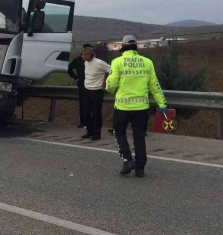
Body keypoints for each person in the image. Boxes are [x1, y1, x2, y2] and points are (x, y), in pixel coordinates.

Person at [106, 35, 167, 178]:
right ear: (136, 47)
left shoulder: (117, 62)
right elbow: (155, 86)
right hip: (141, 108)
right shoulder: (147, 62)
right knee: (139, 136)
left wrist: (110, 87)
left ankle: (127, 160)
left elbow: (111, 84)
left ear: (123, 46)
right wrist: (162, 104)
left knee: (119, 133)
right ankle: (140, 168)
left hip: (122, 107)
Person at [81, 47, 111, 140]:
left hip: (97, 91)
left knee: (96, 113)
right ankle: (89, 131)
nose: (82, 56)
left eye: (83, 54)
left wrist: (107, 82)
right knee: (86, 112)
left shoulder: (100, 63)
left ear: (89, 55)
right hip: (86, 90)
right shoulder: (86, 62)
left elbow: (112, 70)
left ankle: (96, 133)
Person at [67, 43, 94, 128]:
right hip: (82, 84)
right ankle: (83, 121)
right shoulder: (78, 60)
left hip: (92, 84)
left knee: (92, 104)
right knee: (82, 103)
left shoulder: (94, 61)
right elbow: (69, 69)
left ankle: (91, 122)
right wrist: (76, 78)